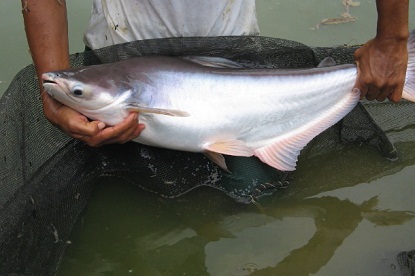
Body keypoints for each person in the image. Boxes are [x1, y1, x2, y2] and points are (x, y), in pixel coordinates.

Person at [21, 0, 409, 147]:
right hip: (117, 48)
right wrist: (52, 100)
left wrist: (392, 40)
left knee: (254, 193)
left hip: (231, 53)